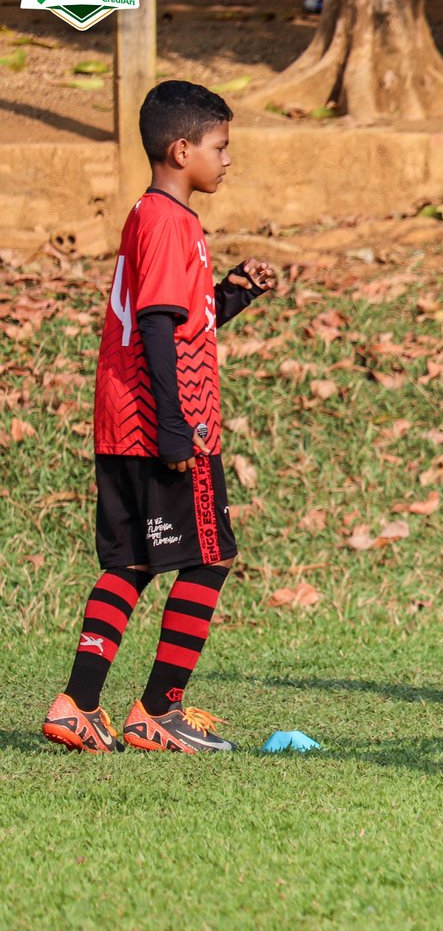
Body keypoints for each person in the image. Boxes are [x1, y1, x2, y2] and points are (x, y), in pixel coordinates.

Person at [42, 81, 277, 755]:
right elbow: (154, 326)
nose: (227, 160)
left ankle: (77, 704)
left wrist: (231, 293)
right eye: (220, 147)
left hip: (121, 422)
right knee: (212, 556)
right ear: (181, 150)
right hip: (170, 426)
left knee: (136, 560)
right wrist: (176, 426)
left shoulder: (150, 217)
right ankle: (157, 711)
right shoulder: (171, 221)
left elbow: (179, 322)